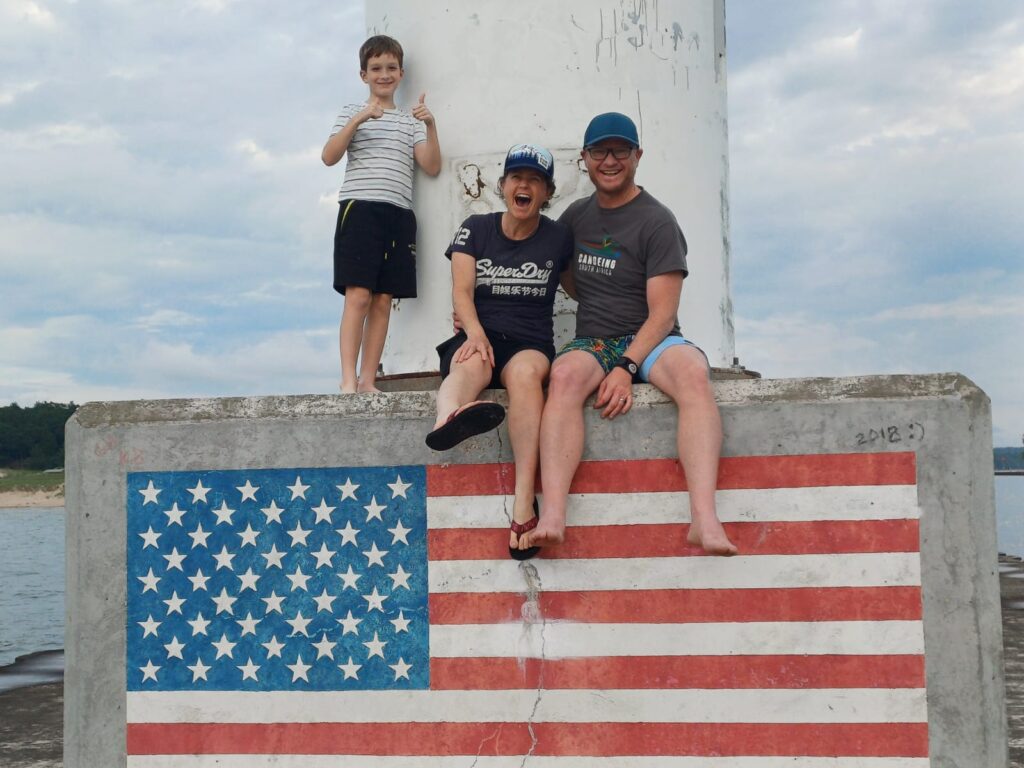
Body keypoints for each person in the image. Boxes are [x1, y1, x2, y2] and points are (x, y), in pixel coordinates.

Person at [523, 112, 737, 556]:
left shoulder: (657, 220)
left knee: (695, 375)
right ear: (584, 158)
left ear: (638, 155)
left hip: (652, 338)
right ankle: (554, 516)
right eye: (600, 151)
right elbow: (553, 269)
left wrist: (626, 367)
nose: (610, 160)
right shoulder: (575, 217)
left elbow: (662, 315)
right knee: (562, 379)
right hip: (595, 340)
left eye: (621, 150)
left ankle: (705, 518)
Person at [427, 143, 573, 561]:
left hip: (530, 342)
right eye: (517, 178)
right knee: (469, 363)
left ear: (546, 192)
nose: (524, 185)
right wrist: (474, 332)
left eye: (535, 181)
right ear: (503, 185)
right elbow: (461, 291)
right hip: (481, 332)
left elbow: (583, 287)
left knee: (527, 377)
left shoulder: (559, 236)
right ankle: (449, 417)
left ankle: (524, 501)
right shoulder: (476, 227)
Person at [322, 35, 441, 394]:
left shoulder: (410, 121)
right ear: (364, 75)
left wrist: (431, 125)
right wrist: (360, 118)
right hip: (360, 209)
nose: (384, 74)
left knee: (384, 300)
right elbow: (329, 156)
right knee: (358, 294)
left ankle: (368, 380)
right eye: (376, 69)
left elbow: (432, 166)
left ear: (401, 73)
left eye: (391, 68)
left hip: (399, 213)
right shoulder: (350, 112)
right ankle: (347, 379)